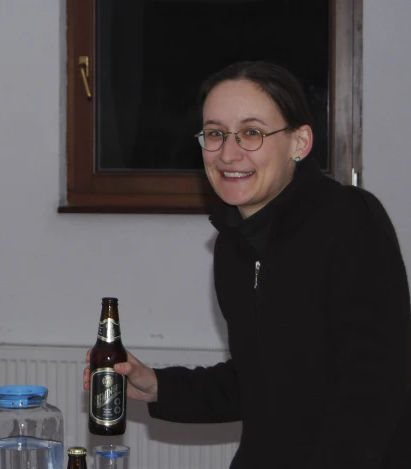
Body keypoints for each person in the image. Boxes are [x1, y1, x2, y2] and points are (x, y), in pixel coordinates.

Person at [83, 61, 411, 468]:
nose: (228, 153)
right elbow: (259, 381)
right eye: (216, 134)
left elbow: (375, 388)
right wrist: (158, 386)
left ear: (299, 142)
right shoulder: (232, 245)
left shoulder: (350, 220)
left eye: (251, 133)